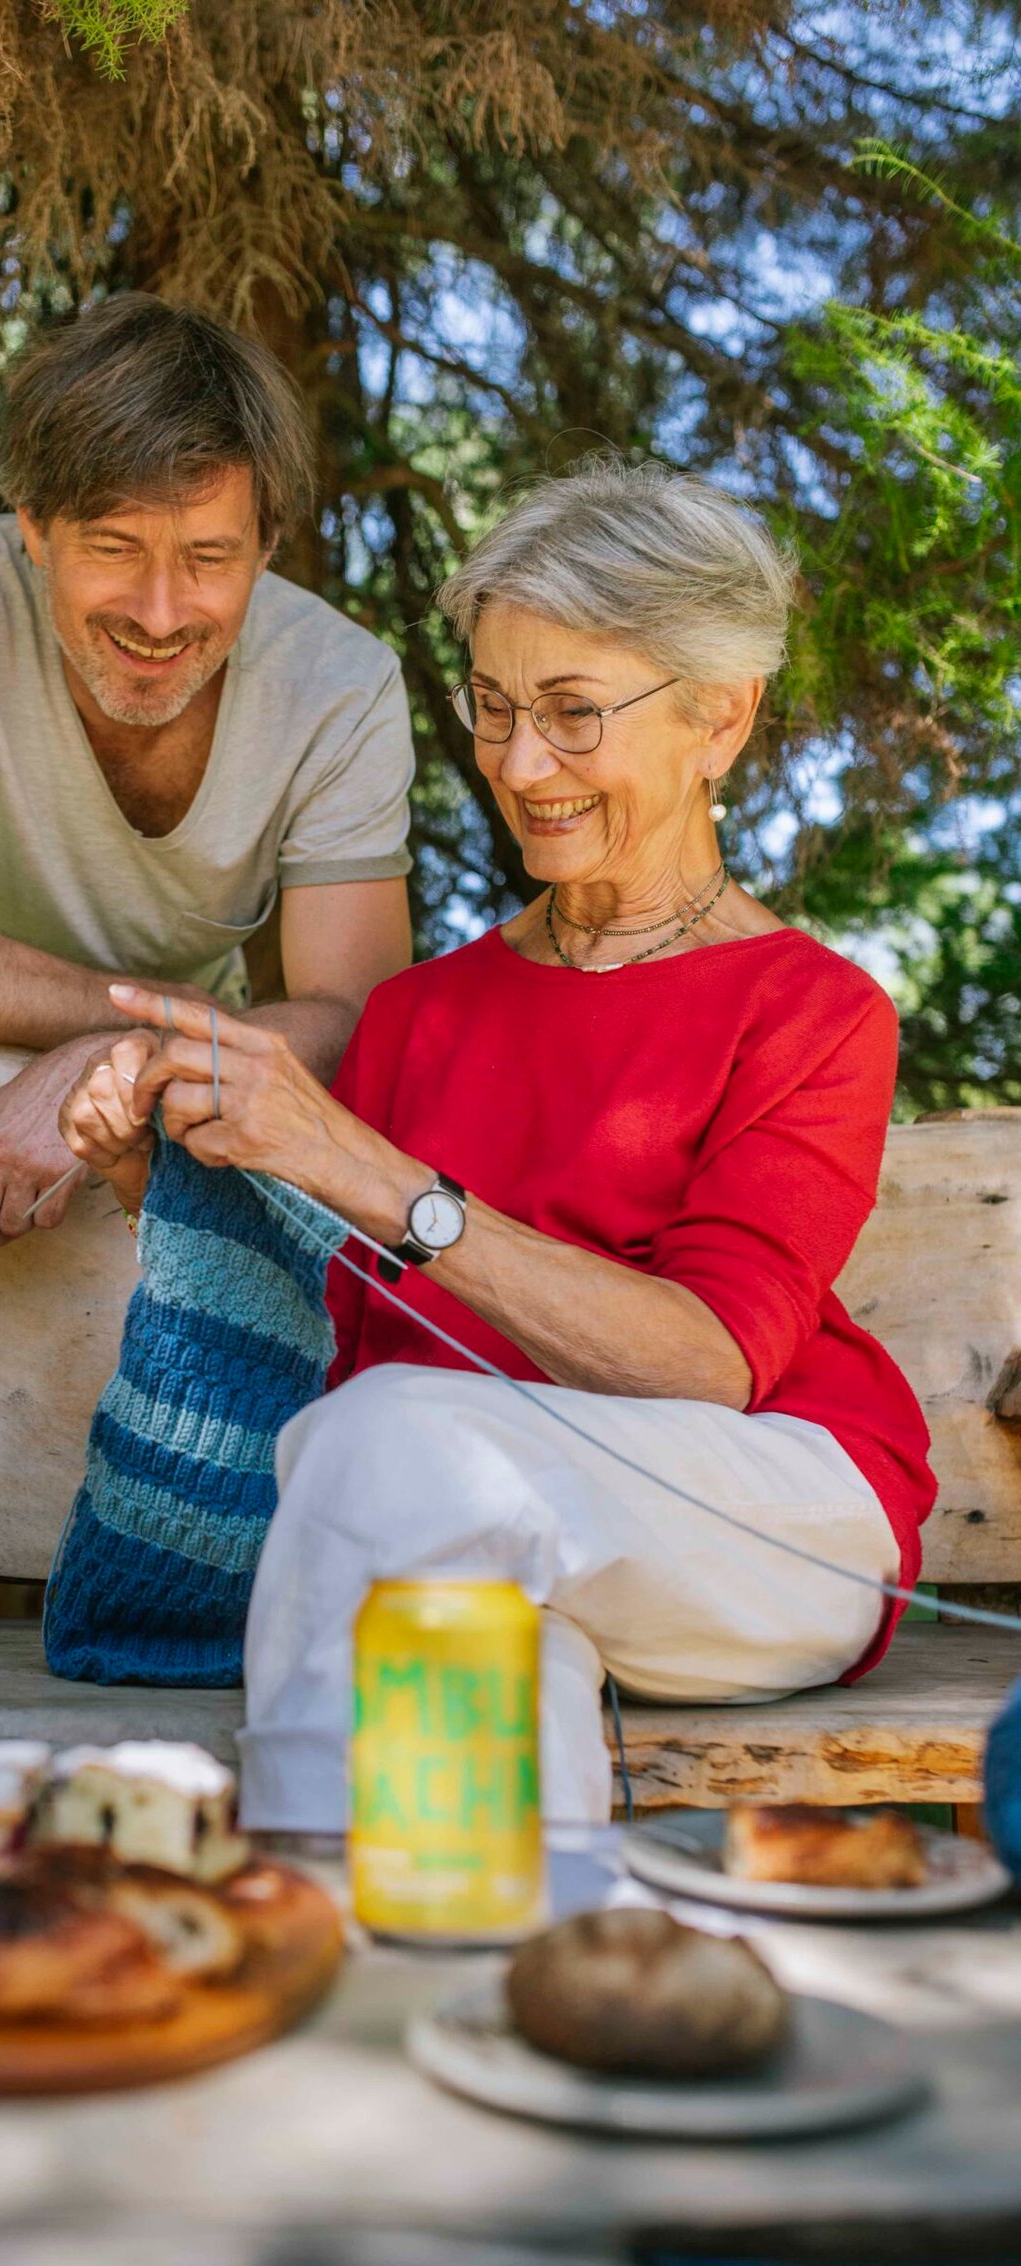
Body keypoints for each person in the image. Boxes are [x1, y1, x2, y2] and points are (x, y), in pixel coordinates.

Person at [58, 457, 936, 1825]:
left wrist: (356, 1161)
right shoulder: (420, 1015)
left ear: (720, 717)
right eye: (494, 708)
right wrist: (147, 1178)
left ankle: (303, 1901)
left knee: (397, 1446)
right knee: (459, 1641)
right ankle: (510, 1978)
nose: (522, 766)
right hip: (491, 1534)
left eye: (574, 713)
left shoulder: (810, 1010)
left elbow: (708, 1361)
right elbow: (359, 1351)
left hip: (770, 1514)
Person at [0, 294, 413, 1273]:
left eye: (209, 556)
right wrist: (157, 1018)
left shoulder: (342, 683)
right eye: (114, 547)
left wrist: (118, 1061)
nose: (160, 613)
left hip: (181, 1100)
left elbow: (360, 1020)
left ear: (265, 549)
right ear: (34, 529)